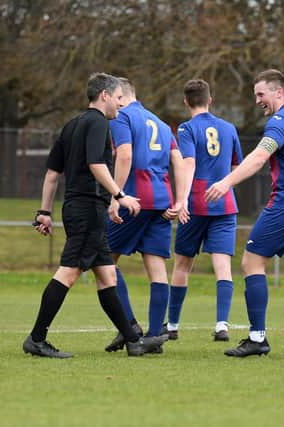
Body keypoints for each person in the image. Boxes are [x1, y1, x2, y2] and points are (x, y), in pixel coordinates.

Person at [24, 72, 168, 358]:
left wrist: (44, 211)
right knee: (68, 273)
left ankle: (132, 339)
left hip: (80, 208)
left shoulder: (72, 124)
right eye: (117, 99)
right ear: (104, 96)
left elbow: (53, 173)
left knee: (107, 276)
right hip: (88, 209)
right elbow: (95, 164)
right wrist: (120, 194)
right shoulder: (99, 123)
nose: (119, 105)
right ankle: (36, 339)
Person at [205, 69, 284, 358]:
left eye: (261, 94)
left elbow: (260, 156)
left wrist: (226, 182)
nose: (258, 100)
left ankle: (257, 337)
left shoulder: (281, 121)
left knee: (251, 262)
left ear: (279, 92)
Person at [103, 78, 188, 353]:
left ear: (120, 96)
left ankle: (129, 327)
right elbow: (179, 161)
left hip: (135, 200)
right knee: (156, 267)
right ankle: (154, 335)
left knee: (103, 259)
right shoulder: (161, 123)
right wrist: (180, 199)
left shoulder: (122, 117)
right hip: (162, 202)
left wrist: (116, 195)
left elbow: (125, 155)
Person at [167, 79, 244, 342]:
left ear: (186, 101)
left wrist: (183, 199)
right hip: (224, 203)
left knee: (182, 264)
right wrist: (223, 185)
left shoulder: (187, 129)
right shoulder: (228, 127)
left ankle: (173, 325)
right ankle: (222, 324)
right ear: (210, 99)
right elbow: (237, 167)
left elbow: (188, 163)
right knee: (223, 267)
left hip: (197, 202)